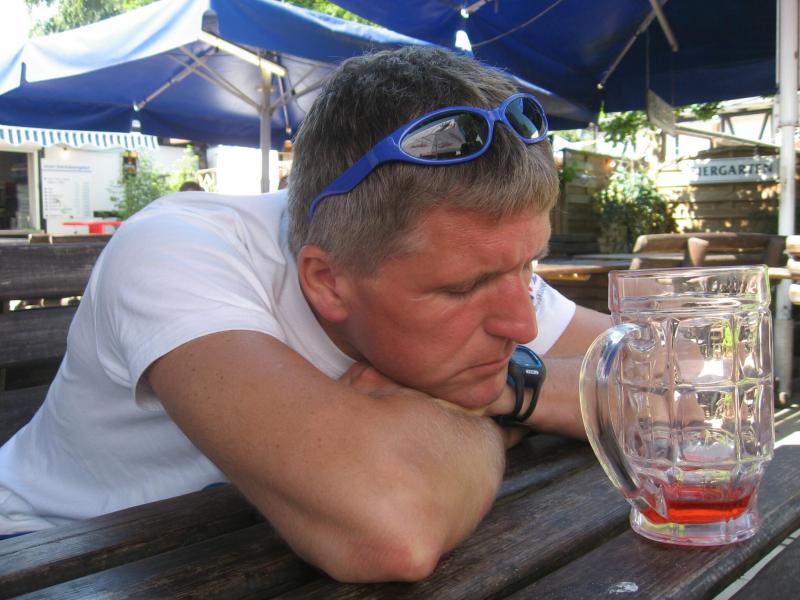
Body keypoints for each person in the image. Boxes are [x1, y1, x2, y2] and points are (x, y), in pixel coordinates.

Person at [0, 47, 609, 581]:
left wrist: (505, 393)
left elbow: (657, 375)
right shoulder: (176, 251)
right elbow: (391, 527)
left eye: (528, 267)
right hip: (53, 556)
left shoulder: (468, 251)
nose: (522, 326)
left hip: (240, 549)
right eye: (463, 289)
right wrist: (492, 419)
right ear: (327, 282)